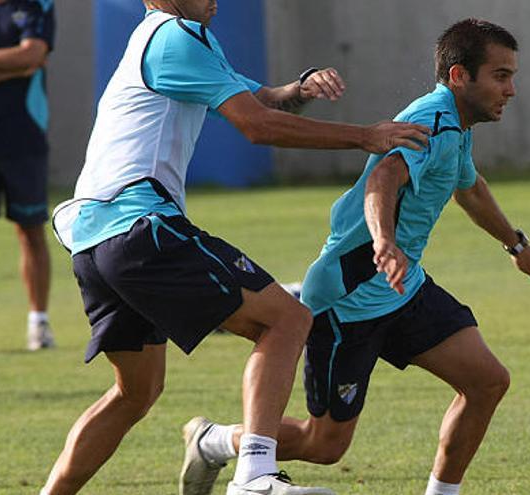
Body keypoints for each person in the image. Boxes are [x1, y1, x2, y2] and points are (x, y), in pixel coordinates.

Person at [41, 0, 428, 494]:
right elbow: (256, 126)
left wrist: (301, 87)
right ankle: (254, 476)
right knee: (287, 318)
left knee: (135, 392)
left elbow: (264, 100)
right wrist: (365, 137)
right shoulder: (178, 34)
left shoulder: (163, 39)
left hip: (92, 239)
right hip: (137, 224)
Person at [183, 18, 530, 495]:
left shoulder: (457, 126)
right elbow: (383, 180)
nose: (512, 89)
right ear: (460, 77)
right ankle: (213, 442)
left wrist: (516, 245)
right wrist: (383, 242)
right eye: (501, 76)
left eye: (511, 75)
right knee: (325, 445)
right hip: (348, 297)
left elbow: (471, 189)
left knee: (486, 382)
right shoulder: (431, 120)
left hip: (403, 288)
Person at [0, 0, 56, 352]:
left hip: (24, 137)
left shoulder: (36, 5)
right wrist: (12, 64)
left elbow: (32, 56)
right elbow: (22, 62)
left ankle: (38, 323)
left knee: (30, 231)